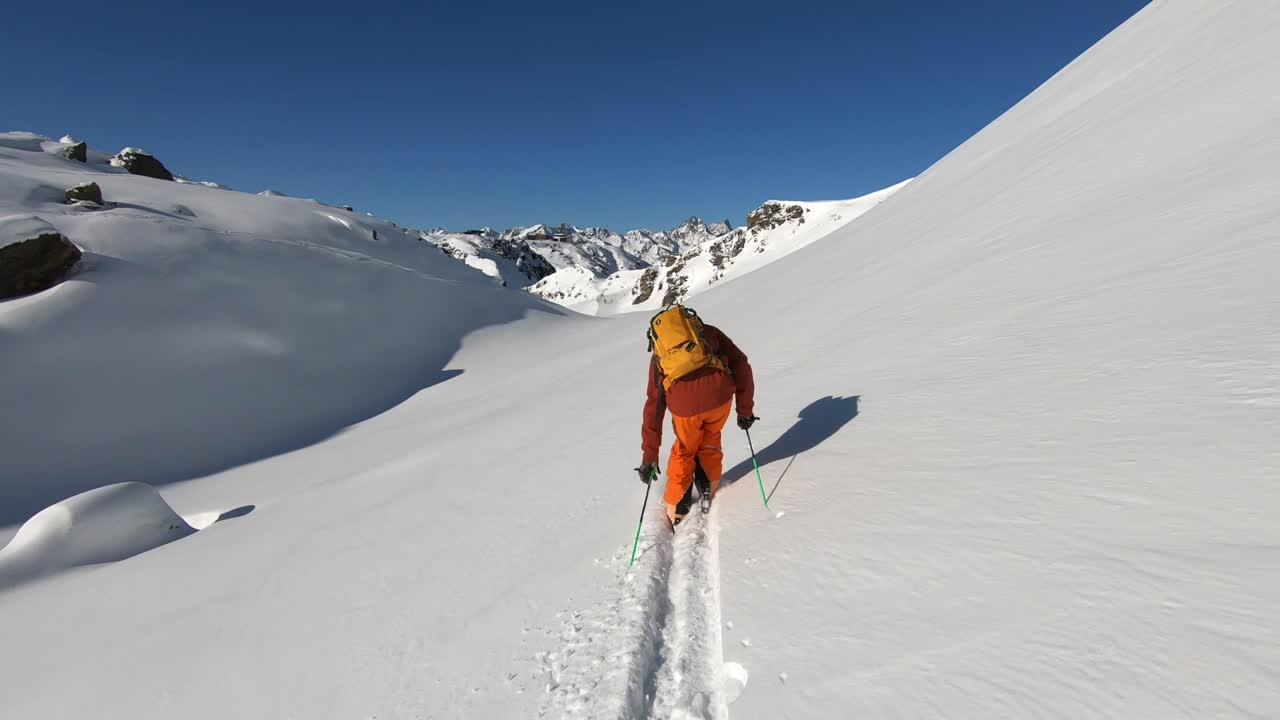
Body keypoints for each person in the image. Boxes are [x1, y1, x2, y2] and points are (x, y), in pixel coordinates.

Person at [637, 305, 756, 528]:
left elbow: (655, 404)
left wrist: (649, 456)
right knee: (711, 437)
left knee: (685, 449)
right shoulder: (708, 334)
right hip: (720, 397)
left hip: (684, 408)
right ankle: (708, 485)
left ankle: (676, 507)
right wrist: (745, 410)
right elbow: (741, 364)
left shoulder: (660, 355)